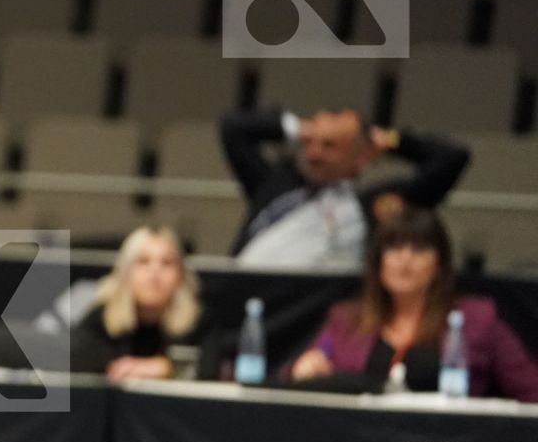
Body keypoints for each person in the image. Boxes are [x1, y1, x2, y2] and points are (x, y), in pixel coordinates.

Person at [288, 208, 538, 401]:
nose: (405, 260)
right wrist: (304, 369)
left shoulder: (478, 319)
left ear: (439, 266)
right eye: (394, 248)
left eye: (419, 249)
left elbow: (531, 391)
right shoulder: (345, 320)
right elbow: (297, 379)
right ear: (378, 263)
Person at [221, 106, 469, 269]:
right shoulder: (273, 183)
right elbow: (232, 129)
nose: (314, 153)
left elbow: (452, 158)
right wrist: (297, 127)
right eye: (308, 142)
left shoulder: (373, 204)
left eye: (329, 145)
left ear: (360, 157)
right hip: (246, 292)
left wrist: (390, 139)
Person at [71, 226, 201, 381]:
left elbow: (210, 368)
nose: (155, 272)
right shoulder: (100, 320)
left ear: (181, 275)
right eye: (143, 261)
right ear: (124, 272)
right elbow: (82, 367)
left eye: (166, 263)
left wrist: (167, 368)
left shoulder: (199, 322)